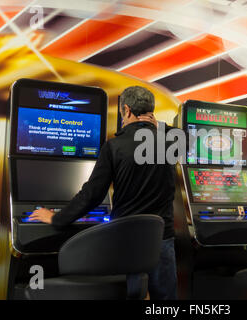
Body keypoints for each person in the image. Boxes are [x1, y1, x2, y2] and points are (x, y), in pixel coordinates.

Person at [29, 85, 177, 300]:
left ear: (126, 110)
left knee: (132, 295)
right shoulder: (170, 142)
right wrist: (159, 128)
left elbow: (93, 194)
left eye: (122, 115)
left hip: (127, 240)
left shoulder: (115, 147)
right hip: (162, 237)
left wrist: (57, 218)